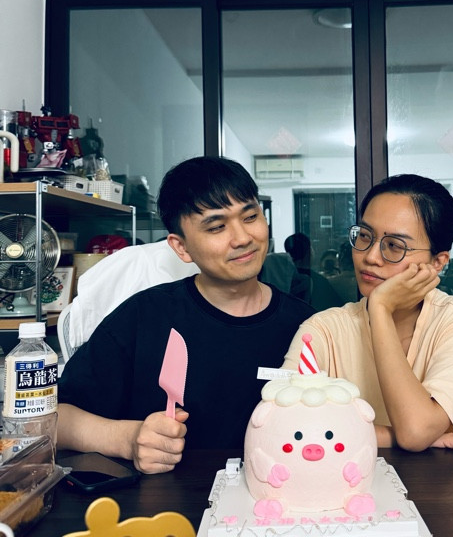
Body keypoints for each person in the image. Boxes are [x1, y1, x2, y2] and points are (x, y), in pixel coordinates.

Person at [58, 156, 315, 474]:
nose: (242, 238)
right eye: (217, 227)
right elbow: (54, 420)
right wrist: (129, 439)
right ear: (181, 247)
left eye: (250, 217)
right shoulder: (143, 317)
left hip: (276, 499)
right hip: (165, 502)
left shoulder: (305, 326)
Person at [283, 174, 453, 459]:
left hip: (452, 480)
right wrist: (428, 436)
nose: (371, 257)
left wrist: (380, 308)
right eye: (364, 236)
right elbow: (283, 425)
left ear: (437, 262)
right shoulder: (323, 330)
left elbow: (416, 432)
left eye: (394, 246)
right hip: (351, 480)